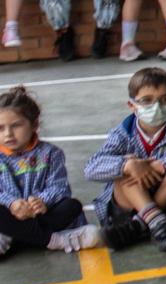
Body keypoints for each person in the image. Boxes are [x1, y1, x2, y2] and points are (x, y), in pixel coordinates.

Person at [84, 66, 166, 252]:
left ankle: (140, 226)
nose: (157, 107)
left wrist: (159, 165)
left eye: (165, 100)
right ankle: (156, 223)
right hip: (129, 204)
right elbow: (91, 168)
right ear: (132, 105)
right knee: (124, 170)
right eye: (147, 101)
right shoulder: (123, 133)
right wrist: (129, 165)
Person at [0, 85, 102, 257]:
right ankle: (56, 240)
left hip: (41, 215)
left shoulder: (51, 153)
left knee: (72, 206)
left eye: (16, 125)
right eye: (0, 128)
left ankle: (19, 237)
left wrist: (41, 201)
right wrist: (13, 203)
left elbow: (60, 188)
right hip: (10, 214)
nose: (8, 134)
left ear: (34, 124)